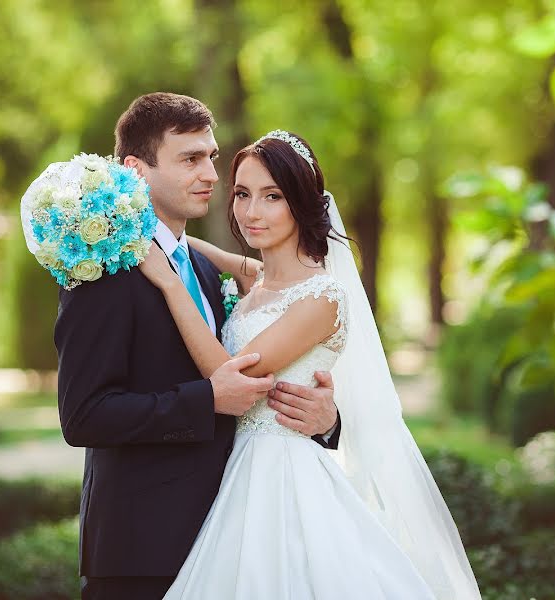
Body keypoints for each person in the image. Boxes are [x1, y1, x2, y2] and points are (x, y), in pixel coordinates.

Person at [138, 130, 483, 599]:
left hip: (283, 480)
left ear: (301, 203)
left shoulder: (321, 297)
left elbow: (228, 375)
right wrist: (142, 227)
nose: (252, 212)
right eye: (242, 194)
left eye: (272, 196)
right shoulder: (259, 280)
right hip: (235, 471)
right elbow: (201, 251)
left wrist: (171, 285)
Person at [52, 94, 341, 600]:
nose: (211, 173)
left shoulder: (210, 274)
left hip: (240, 538)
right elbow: (83, 415)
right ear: (137, 170)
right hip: (142, 554)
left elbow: (279, 364)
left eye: (210, 156)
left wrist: (327, 420)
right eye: (189, 159)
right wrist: (205, 400)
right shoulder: (102, 274)